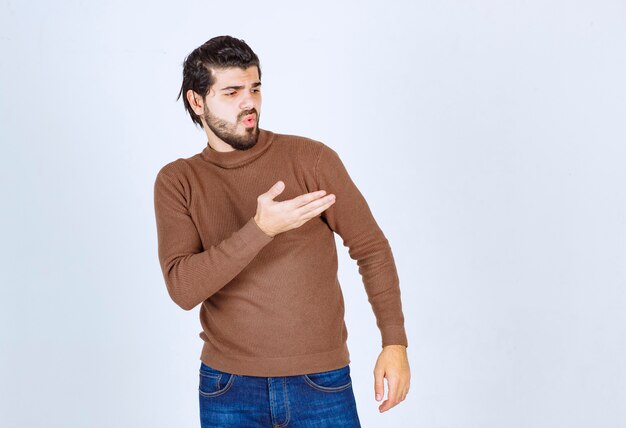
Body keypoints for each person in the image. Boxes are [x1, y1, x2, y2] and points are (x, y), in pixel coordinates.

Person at [153, 35, 410, 427]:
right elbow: (183, 289)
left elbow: (371, 248)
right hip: (228, 387)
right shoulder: (179, 180)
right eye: (232, 91)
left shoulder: (311, 158)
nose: (249, 102)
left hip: (320, 381)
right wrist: (260, 229)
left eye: (255, 88)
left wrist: (394, 342)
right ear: (197, 101)